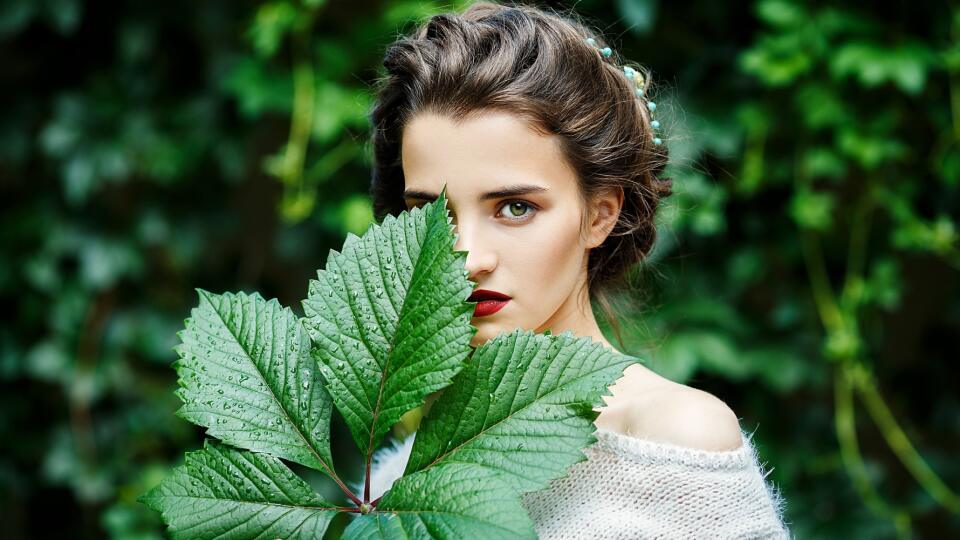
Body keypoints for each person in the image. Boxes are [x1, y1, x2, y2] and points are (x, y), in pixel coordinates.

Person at [364, 1, 791, 537]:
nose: (466, 257)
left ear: (601, 214)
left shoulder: (675, 443)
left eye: (515, 207)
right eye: (429, 213)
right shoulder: (401, 464)